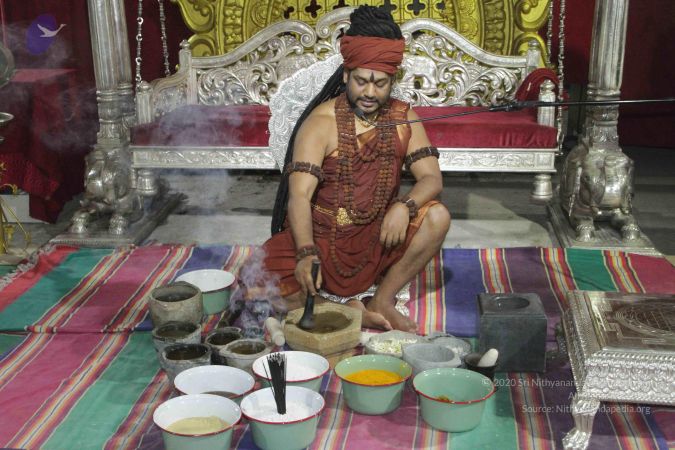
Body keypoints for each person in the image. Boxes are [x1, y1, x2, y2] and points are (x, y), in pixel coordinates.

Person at [261, 5, 450, 332]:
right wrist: (305, 252)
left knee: (437, 216)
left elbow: (432, 178)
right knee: (258, 284)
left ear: (393, 80)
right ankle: (350, 312)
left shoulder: (403, 117)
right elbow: (299, 196)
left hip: (379, 238)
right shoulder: (321, 123)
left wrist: (404, 207)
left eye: (381, 84)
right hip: (323, 240)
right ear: (346, 75)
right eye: (361, 81)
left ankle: (381, 300)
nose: (370, 93)